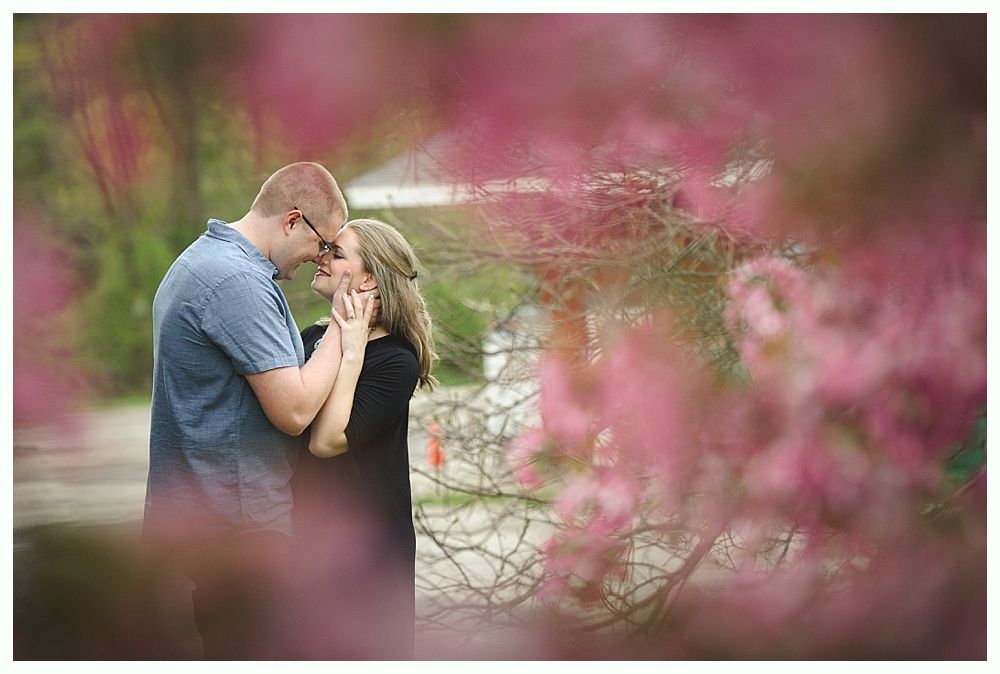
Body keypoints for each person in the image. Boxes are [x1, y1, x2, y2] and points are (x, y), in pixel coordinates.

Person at [143, 162, 356, 659]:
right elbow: (296, 410)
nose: (317, 259)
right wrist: (343, 325)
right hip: (240, 527)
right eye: (321, 244)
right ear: (292, 220)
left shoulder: (203, 259)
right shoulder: (237, 283)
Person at [291, 218, 437, 659]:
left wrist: (352, 352)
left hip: (370, 548)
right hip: (310, 538)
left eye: (336, 253)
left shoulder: (395, 360)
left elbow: (326, 441)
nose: (322, 257)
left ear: (369, 276)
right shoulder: (313, 337)